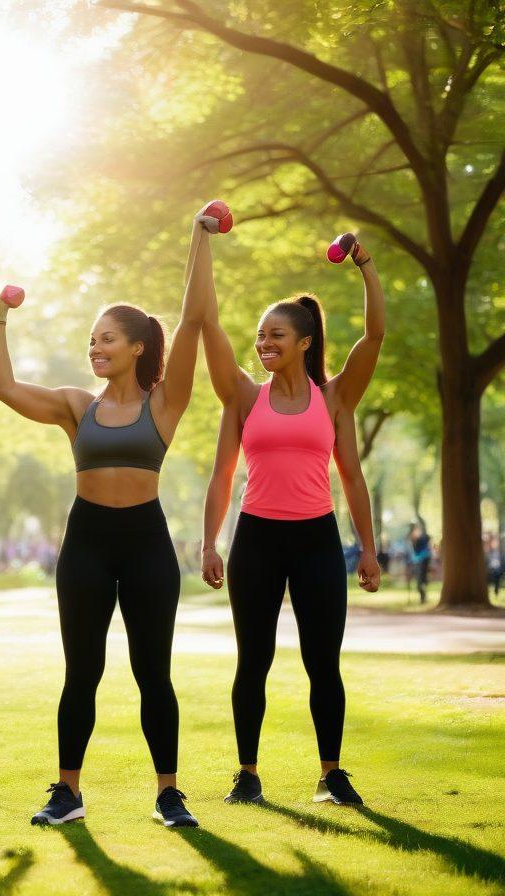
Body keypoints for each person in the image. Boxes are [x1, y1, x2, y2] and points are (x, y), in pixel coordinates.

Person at [0, 205, 227, 829]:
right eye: (91, 340)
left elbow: (194, 318)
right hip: (87, 542)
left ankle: (169, 793)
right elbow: (4, 387)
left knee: (154, 672)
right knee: (82, 673)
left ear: (136, 347)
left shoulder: (165, 400)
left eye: (106, 339)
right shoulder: (75, 406)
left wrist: (198, 235)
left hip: (146, 542)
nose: (94, 348)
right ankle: (67, 792)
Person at [199, 232, 385, 807]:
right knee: (252, 660)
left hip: (316, 541)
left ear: (304, 342)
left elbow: (374, 335)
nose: (263, 344)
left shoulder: (334, 398)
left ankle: (331, 774)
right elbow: (223, 473)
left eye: (275, 335)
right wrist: (210, 542)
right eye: (259, 336)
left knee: (321, 663)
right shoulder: (243, 396)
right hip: (256, 538)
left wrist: (365, 263)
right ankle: (248, 775)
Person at [409, 523, 433, 604]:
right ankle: (423, 597)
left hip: (423, 560)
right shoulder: (414, 539)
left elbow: (428, 547)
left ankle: (423, 596)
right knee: (420, 579)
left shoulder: (424, 537)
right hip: (418, 560)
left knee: (422, 579)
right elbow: (415, 550)